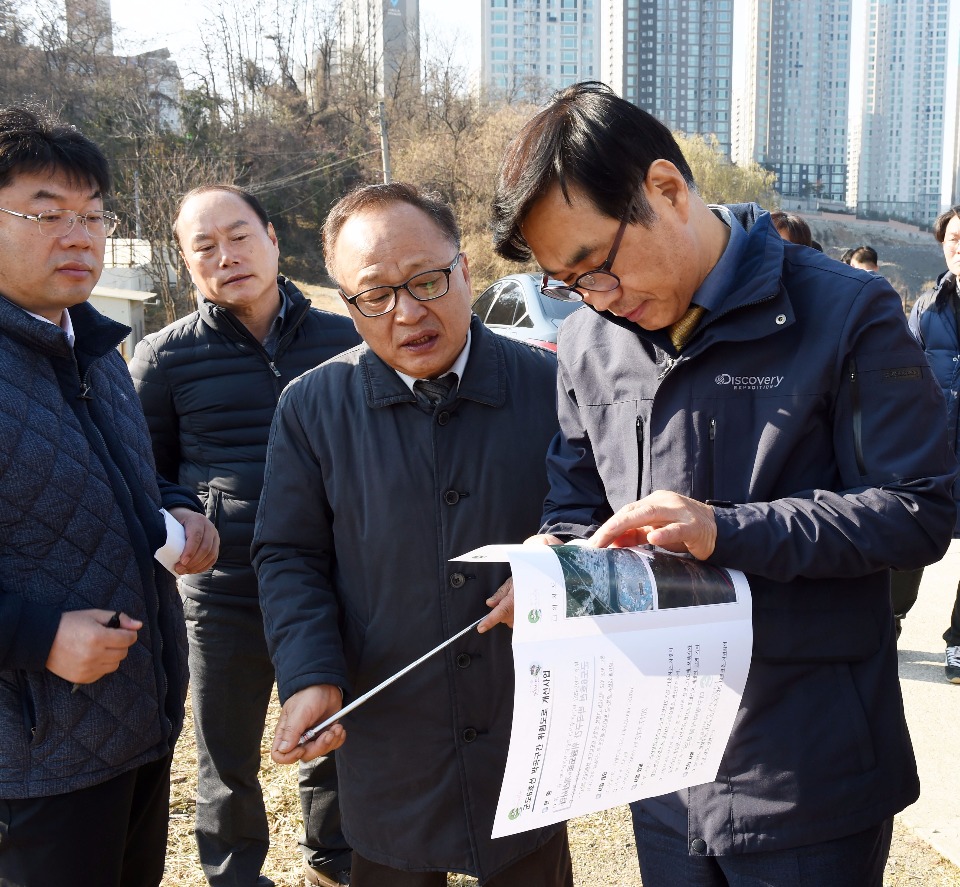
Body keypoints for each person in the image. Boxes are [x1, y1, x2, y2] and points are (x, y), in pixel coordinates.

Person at [490, 82, 956, 886]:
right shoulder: (591, 342)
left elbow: (921, 508)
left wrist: (725, 528)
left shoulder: (846, 312)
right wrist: (555, 561)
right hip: (663, 764)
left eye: (597, 265)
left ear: (666, 189)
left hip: (808, 768)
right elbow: (576, 502)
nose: (598, 299)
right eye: (571, 285)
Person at [251, 182, 573, 887]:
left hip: (525, 725)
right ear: (345, 301)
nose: (408, 311)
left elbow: (590, 518)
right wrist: (309, 673)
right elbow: (288, 555)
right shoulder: (312, 408)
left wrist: (560, 566)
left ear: (465, 269)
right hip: (389, 734)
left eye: (428, 280)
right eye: (375, 295)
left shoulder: (552, 387)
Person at [0, 105, 219, 886]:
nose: (79, 235)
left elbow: (124, 477)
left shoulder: (87, 346)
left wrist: (182, 507)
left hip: (134, 730)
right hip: (31, 765)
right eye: (46, 213)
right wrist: (36, 634)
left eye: (94, 215)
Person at [130, 184, 361, 887]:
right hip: (222, 593)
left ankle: (335, 859)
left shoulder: (344, 335)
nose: (226, 256)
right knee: (224, 751)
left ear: (271, 236)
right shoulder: (165, 358)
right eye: (204, 246)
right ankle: (233, 873)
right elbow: (148, 471)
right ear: (186, 261)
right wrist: (184, 509)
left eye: (239, 235)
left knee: (330, 736)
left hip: (330, 582)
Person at [908, 204, 960, 683]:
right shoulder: (927, 307)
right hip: (934, 448)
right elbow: (900, 379)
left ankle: (959, 641)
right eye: (953, 239)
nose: (959, 248)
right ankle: (890, 619)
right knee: (911, 536)